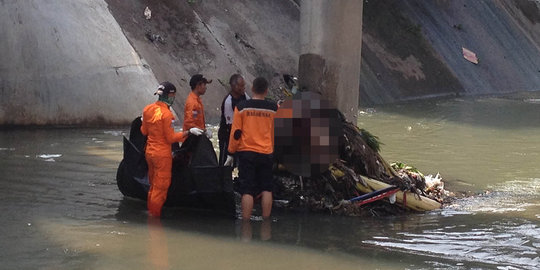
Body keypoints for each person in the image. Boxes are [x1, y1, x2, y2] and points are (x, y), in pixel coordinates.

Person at [141, 81, 204, 217]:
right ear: (171, 95)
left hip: (149, 153)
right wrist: (188, 132)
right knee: (160, 189)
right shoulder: (167, 115)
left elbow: (143, 131)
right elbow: (170, 138)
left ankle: (151, 212)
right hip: (162, 156)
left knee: (153, 186)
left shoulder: (147, 109)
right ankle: (154, 219)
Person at [227, 77, 278, 220]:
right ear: (266, 91)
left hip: (247, 153)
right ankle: (266, 221)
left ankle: (246, 222)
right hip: (266, 152)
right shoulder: (274, 109)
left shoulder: (242, 107)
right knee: (267, 188)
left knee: (247, 190)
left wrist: (231, 152)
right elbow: (277, 132)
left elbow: (236, 133)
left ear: (252, 89)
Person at [218, 74, 250, 165]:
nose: (244, 88)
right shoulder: (228, 102)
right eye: (242, 86)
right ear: (235, 86)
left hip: (240, 136)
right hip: (227, 136)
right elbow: (232, 126)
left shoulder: (244, 96)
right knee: (225, 164)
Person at [183, 74, 212, 139]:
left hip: (198, 136)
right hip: (192, 139)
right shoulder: (192, 102)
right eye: (204, 85)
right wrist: (204, 131)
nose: (205, 87)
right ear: (198, 86)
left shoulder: (197, 100)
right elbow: (189, 123)